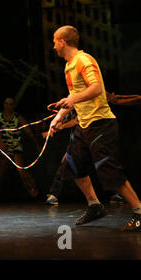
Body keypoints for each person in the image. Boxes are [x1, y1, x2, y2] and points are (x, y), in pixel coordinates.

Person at [50, 25, 141, 231]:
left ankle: (139, 211)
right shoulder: (69, 66)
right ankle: (95, 205)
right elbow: (74, 98)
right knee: (73, 165)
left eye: (55, 41)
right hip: (84, 124)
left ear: (63, 41)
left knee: (109, 171)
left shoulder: (84, 60)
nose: (54, 46)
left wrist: (72, 99)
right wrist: (59, 117)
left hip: (101, 123)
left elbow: (96, 88)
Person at [0, 97, 41, 200]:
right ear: (4, 104)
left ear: (14, 105)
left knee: (22, 171)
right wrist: (1, 143)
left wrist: (37, 144)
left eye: (11, 104)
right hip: (3, 147)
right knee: (0, 172)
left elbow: (29, 132)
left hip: (15, 146)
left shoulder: (17, 117)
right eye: (7, 104)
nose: (9, 106)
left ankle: (34, 192)